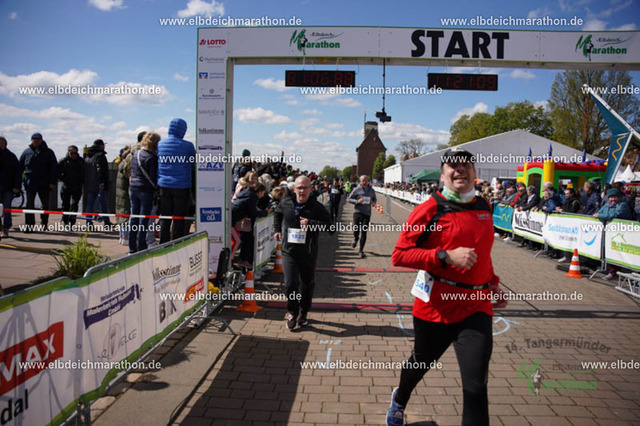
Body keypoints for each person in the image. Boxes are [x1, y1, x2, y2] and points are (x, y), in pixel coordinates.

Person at [386, 148, 507, 426]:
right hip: (435, 309)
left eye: (466, 165)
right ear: (442, 175)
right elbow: (400, 255)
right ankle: (400, 399)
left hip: (476, 308)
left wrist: (492, 284)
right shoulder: (429, 209)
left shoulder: (484, 207)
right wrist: (444, 256)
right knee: (419, 363)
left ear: (475, 173)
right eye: (453, 166)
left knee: (476, 387)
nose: (460, 170)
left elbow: (483, 254)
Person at [273, 176, 333, 330]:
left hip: (308, 252)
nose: (302, 191)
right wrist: (277, 229)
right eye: (299, 188)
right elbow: (277, 214)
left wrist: (311, 223)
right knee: (290, 283)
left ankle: (303, 311)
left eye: (305, 188)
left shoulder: (316, 207)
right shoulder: (286, 202)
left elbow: (330, 227)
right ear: (294, 189)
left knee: (306, 284)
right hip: (289, 251)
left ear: (310, 189)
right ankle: (293, 312)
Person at [157, 118, 195, 243]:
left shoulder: (160, 144)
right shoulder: (188, 146)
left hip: (164, 186)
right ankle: (176, 243)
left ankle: (163, 243)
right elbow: (193, 165)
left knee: (165, 217)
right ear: (183, 130)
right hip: (182, 187)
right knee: (179, 219)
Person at [128, 132, 160, 253]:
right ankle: (141, 246)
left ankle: (132, 247)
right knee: (144, 220)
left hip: (133, 188)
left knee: (134, 218)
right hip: (146, 190)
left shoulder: (136, 154)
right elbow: (153, 177)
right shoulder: (152, 157)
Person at [19, 132, 57, 231]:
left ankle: (44, 224)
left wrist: (52, 182)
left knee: (45, 204)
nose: (36, 140)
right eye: (34, 138)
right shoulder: (26, 152)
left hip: (44, 183)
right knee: (29, 204)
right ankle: (29, 225)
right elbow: (20, 167)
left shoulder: (49, 152)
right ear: (31, 140)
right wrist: (18, 182)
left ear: (41, 140)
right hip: (30, 183)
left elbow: (54, 168)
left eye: (38, 138)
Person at [594, 188, 633, 280]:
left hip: (621, 232)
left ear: (618, 197)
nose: (612, 199)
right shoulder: (606, 205)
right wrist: (598, 215)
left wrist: (600, 216)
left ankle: (617, 272)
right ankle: (612, 271)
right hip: (609, 232)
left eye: (615, 197)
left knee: (618, 252)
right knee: (610, 251)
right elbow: (599, 212)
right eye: (611, 197)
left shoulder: (622, 205)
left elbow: (615, 215)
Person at [232, 182, 271, 268]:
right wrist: (265, 212)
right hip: (233, 219)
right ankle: (231, 260)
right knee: (237, 241)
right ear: (259, 191)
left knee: (239, 240)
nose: (263, 195)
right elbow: (253, 212)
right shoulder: (252, 197)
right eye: (263, 193)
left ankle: (236, 260)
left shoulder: (247, 194)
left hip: (234, 218)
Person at [348, 175, 377, 258]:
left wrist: (373, 203)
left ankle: (361, 250)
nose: (364, 182)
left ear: (368, 181)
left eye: (366, 181)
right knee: (356, 229)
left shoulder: (371, 190)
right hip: (358, 212)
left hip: (367, 213)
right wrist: (357, 201)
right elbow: (349, 199)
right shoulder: (356, 189)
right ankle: (355, 238)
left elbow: (374, 199)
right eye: (363, 181)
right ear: (360, 182)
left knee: (364, 231)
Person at [84, 139, 111, 226]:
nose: (104, 146)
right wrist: (102, 182)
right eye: (103, 145)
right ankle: (106, 222)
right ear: (100, 145)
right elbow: (101, 170)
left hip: (90, 184)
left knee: (89, 204)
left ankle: (88, 222)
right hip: (100, 185)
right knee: (104, 204)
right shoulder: (100, 156)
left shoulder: (88, 156)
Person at [58, 145, 85, 227]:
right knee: (65, 204)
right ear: (68, 152)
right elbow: (58, 173)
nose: (73, 155)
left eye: (75, 153)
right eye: (71, 153)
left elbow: (84, 173)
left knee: (74, 204)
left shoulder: (81, 161)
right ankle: (65, 220)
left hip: (77, 186)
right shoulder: (63, 161)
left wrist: (82, 182)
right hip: (66, 186)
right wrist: (65, 179)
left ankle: (72, 222)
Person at [0, 137, 21, 239]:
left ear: (5, 144)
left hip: (8, 188)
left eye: (2, 143)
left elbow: (18, 172)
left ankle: (6, 228)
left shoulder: (11, 156)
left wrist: (17, 186)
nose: (0, 144)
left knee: (7, 209)